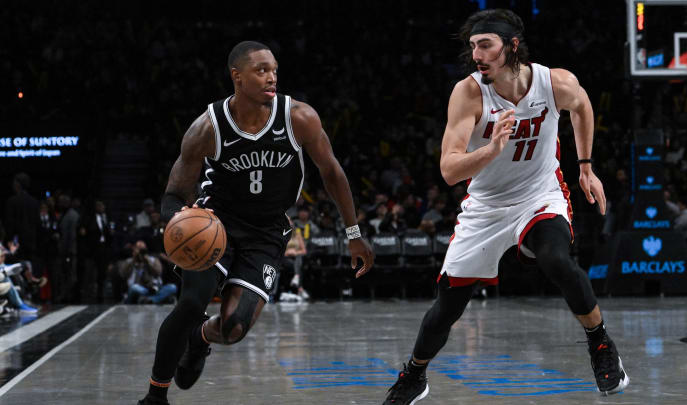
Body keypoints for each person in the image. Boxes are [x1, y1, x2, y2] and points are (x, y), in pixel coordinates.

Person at [383, 9, 628, 404]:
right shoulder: (468, 92)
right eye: (472, 46)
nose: (475, 54)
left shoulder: (555, 82)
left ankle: (601, 345)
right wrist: (493, 148)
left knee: (555, 258)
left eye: (485, 45)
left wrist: (585, 167)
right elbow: (448, 170)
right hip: (487, 205)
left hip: (539, 194)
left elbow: (582, 107)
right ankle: (414, 375)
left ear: (512, 46)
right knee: (448, 304)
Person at [138, 41, 374, 405]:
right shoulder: (208, 127)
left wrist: (353, 233)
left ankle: (200, 339)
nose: (272, 77)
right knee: (189, 304)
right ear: (237, 77)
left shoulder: (299, 117)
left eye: (274, 70)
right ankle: (155, 397)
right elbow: (172, 195)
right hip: (216, 226)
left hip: (267, 232)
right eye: (261, 70)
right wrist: (179, 223)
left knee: (232, 329)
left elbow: (332, 173)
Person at [120, 240, 176, 304]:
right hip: (139, 289)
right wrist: (134, 259)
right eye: (138, 249)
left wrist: (148, 261)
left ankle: (150, 300)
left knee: (172, 287)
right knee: (134, 288)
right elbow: (123, 274)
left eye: (142, 250)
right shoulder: (129, 261)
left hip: (154, 289)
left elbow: (158, 272)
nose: (140, 252)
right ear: (134, 249)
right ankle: (156, 299)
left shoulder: (153, 260)